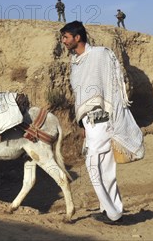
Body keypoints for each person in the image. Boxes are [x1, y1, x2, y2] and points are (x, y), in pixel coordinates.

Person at [60, 21, 144, 225]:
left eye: (66, 37)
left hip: (102, 119)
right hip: (90, 123)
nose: (63, 41)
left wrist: (112, 115)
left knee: (93, 164)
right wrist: (82, 125)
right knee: (105, 168)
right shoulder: (76, 62)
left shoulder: (100, 55)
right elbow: (80, 94)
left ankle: (112, 212)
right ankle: (111, 209)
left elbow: (113, 84)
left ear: (77, 38)